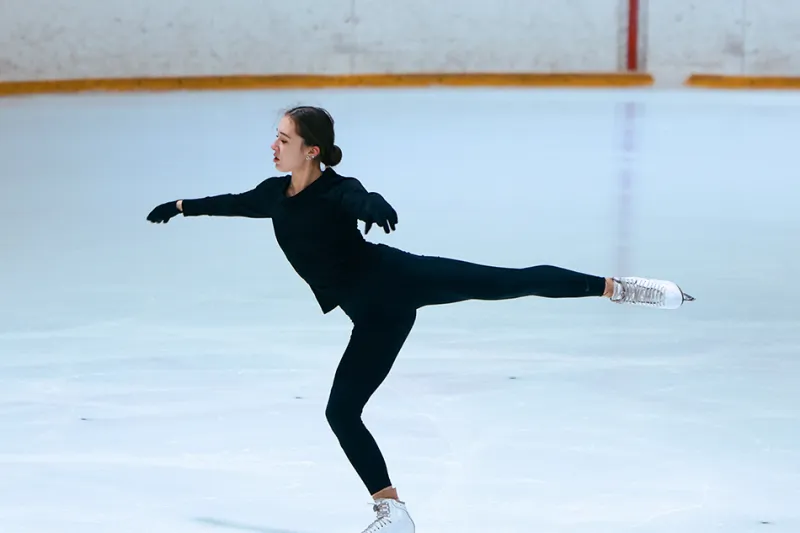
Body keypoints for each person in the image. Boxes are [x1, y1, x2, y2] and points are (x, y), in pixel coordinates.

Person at [146, 105, 694, 533]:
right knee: (341, 412)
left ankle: (623, 289)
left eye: (284, 140)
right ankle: (393, 511)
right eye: (276, 137)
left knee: (509, 281)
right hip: (374, 319)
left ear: (311, 150)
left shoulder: (338, 191)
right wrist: (181, 206)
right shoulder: (274, 195)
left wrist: (374, 205)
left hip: (400, 279)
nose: (273, 146)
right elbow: (231, 202)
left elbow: (360, 197)